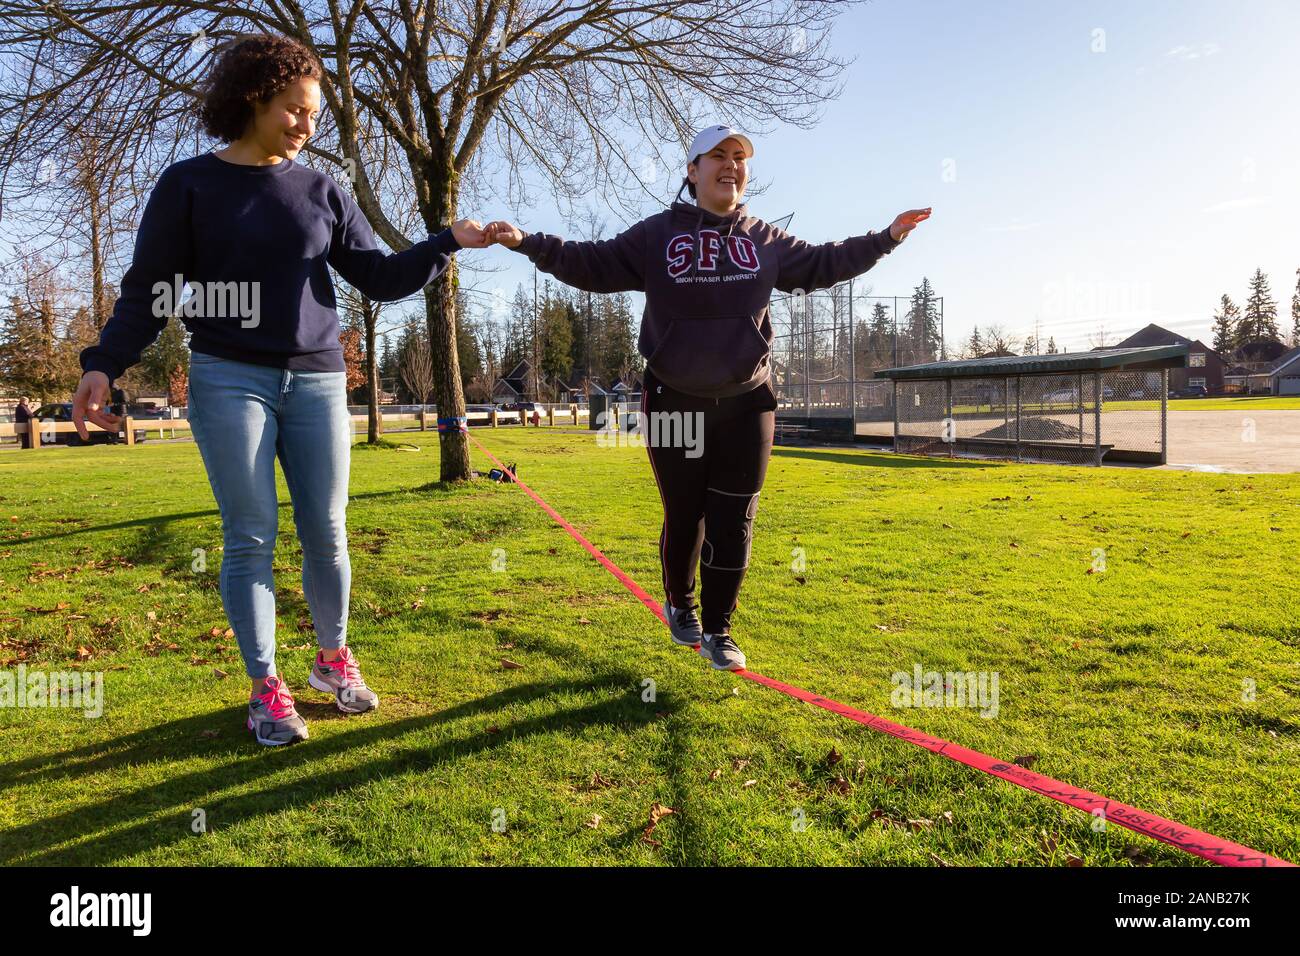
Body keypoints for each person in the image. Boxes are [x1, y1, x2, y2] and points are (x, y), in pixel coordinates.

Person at [72, 33, 489, 745]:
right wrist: (104, 361)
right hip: (229, 377)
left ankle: (332, 659)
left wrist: (447, 240)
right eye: (296, 109)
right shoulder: (188, 185)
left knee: (327, 530)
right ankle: (266, 686)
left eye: (315, 113)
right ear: (254, 99)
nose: (307, 123)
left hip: (320, 380)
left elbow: (381, 278)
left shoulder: (320, 188)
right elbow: (151, 291)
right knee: (251, 536)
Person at [484, 125, 930, 671]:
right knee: (687, 514)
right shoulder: (656, 235)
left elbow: (822, 262)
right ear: (692, 172)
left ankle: (719, 630)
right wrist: (526, 241)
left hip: (748, 402)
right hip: (675, 401)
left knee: (735, 518)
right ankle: (680, 603)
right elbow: (593, 263)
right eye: (717, 156)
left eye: (739, 157)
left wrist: (886, 237)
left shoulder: (763, 239)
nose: (730, 165)